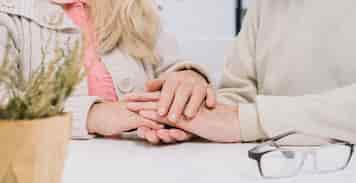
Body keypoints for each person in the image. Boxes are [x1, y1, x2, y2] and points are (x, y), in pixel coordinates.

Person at [126, 0, 356, 144]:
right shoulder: (266, 5)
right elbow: (237, 94)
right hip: (273, 169)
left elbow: (239, 118)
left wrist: (244, 121)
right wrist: (191, 117)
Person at [0, 0, 215, 144]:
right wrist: (92, 115)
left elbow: (169, 64)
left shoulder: (132, 6)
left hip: (146, 167)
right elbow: (5, 103)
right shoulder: (7, 12)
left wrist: (187, 77)